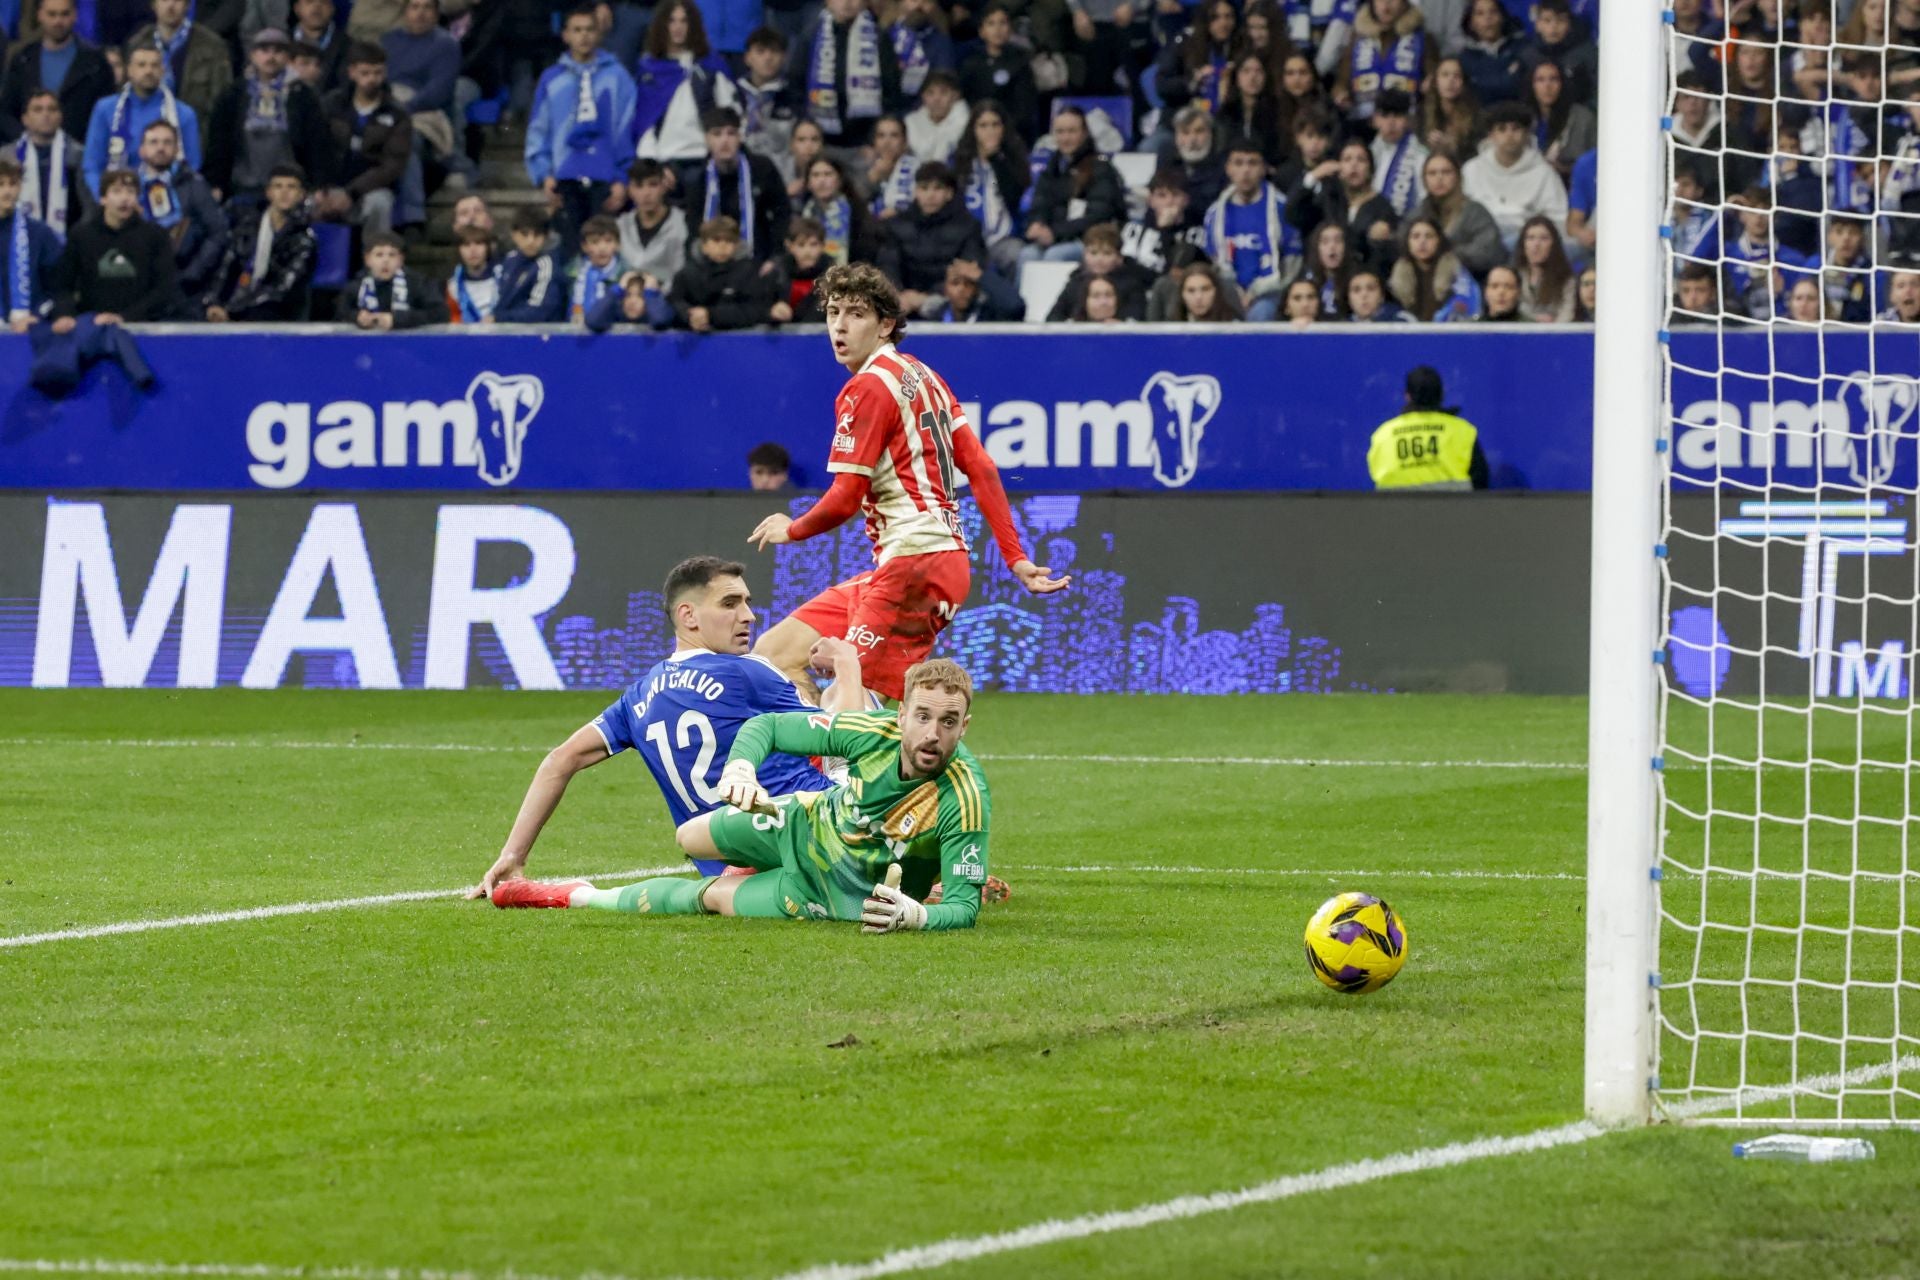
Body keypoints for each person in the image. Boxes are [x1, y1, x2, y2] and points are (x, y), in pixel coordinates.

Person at [484, 657, 1002, 933]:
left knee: (708, 900)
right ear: (902, 714)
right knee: (689, 836)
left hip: (826, 897)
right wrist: (742, 772)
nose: (932, 733)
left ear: (965, 726)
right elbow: (770, 726)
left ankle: (566, 894)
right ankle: (751, 859)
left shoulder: (966, 797)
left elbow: (964, 908)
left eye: (948, 721)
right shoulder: (871, 732)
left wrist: (916, 916)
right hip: (800, 821)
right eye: (923, 716)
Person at [745, 263, 1068, 701]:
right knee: (774, 655)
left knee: (848, 704)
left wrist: (793, 528)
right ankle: (828, 763)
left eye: (856, 314)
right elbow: (983, 467)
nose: (839, 326)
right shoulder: (924, 375)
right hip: (924, 562)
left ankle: (852, 765)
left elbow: (844, 499)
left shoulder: (868, 389)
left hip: (916, 564)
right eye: (833, 311)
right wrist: (1014, 558)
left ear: (886, 325)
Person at [465, 558, 864, 891]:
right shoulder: (746, 672)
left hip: (722, 865)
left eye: (746, 602)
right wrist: (848, 664)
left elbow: (559, 761)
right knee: (859, 705)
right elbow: (848, 738)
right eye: (730, 603)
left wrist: (511, 857)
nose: (748, 615)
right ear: (687, 615)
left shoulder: (637, 698)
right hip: (815, 839)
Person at [525, 4, 638, 244]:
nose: (584, 36)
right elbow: (539, 129)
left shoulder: (618, 77)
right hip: (565, 176)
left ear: (599, 33)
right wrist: (544, 174)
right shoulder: (552, 79)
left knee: (603, 249)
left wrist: (622, 177)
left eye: (589, 29)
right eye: (577, 30)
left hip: (605, 176)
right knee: (569, 252)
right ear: (565, 35)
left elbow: (626, 128)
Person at [203, 28, 330, 206]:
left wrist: (318, 185)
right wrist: (215, 183)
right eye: (264, 50)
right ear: (253, 55)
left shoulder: (303, 95)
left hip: (291, 190)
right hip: (243, 186)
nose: (271, 57)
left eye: (278, 51)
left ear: (287, 58)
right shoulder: (233, 94)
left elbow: (317, 144)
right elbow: (219, 143)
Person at [53, 165, 183, 319]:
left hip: (141, 326)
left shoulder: (156, 236)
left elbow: (164, 288)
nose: (125, 198)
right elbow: (62, 285)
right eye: (117, 191)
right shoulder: (81, 235)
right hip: (93, 326)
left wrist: (126, 317)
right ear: (103, 198)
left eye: (131, 192)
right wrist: (66, 315)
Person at [200, 160, 315, 320]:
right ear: (268, 192)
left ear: (301, 195)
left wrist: (233, 312)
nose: (284, 192)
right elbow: (227, 266)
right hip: (238, 305)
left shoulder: (304, 239)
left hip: (278, 313)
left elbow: (281, 289)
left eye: (291, 187)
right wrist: (214, 302)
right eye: (278, 186)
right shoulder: (248, 227)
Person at [634, 0, 740, 169]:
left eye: (684, 21)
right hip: (665, 161)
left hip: (706, 159)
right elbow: (644, 122)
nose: (678, 27)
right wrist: (653, 165)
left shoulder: (712, 65)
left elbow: (731, 113)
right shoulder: (649, 70)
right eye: (672, 21)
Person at [317, 42, 408, 239]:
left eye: (378, 72)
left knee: (379, 203)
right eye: (365, 73)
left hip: (371, 188)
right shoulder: (331, 104)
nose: (372, 79)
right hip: (329, 185)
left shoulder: (396, 113)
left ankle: (375, 261)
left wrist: (351, 192)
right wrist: (321, 188)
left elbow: (392, 166)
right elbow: (316, 149)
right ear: (352, 72)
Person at [382, 0, 475, 191]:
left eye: (427, 8)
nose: (420, 13)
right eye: (414, 7)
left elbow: (437, 92)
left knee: (407, 137)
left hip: (424, 113)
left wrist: (402, 109)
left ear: (436, 13)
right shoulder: (388, 41)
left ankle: (412, 214)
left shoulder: (446, 44)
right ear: (405, 11)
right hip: (388, 106)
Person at [83, 44, 201, 194]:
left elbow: (192, 167)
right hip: (116, 202)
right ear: (129, 70)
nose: (148, 71)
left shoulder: (184, 114)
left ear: (162, 71)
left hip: (169, 203)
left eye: (154, 65)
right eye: (141, 65)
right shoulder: (105, 109)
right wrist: (104, 199)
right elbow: (92, 165)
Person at [1202, 138, 1299, 321]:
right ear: (1228, 169)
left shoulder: (1282, 208)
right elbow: (1214, 263)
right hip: (1229, 294)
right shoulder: (1215, 214)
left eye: (1252, 163)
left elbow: (1292, 263)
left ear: (1263, 169)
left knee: (1260, 314)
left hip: (1271, 293)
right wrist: (1235, 293)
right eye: (1238, 163)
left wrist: (1256, 292)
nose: (1245, 171)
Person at [0, 0, 116, 147]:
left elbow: (106, 113)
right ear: (40, 15)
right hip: (25, 154)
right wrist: (25, 139)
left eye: (64, 14)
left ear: (75, 15)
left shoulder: (96, 63)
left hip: (79, 155)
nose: (58, 21)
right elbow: (6, 111)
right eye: (52, 14)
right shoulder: (22, 59)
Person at [681, 106, 790, 263]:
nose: (725, 141)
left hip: (758, 258)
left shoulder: (762, 168)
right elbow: (694, 227)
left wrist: (775, 257)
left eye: (731, 133)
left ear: (740, 137)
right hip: (712, 261)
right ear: (707, 139)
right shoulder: (697, 178)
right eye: (717, 134)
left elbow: (782, 213)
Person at [875, 158, 984, 314]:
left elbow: (966, 271)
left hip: (947, 301)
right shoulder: (896, 225)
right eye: (924, 188)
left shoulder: (968, 226)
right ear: (916, 192)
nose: (930, 195)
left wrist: (925, 298)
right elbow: (888, 266)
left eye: (937, 189)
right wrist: (899, 294)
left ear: (949, 193)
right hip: (902, 300)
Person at [134, 117, 225, 296]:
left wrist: (193, 273)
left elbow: (218, 232)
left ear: (176, 150)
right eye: (154, 142)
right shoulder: (129, 188)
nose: (160, 148)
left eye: (167, 142)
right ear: (142, 151)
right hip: (138, 283)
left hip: (185, 282)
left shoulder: (194, 184)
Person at [1020, 105, 1122, 263]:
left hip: (1090, 241)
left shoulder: (1101, 167)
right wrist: (1037, 224)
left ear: (1084, 133)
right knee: (1027, 254)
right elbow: (1040, 204)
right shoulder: (1052, 167)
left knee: (1055, 256)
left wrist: (1055, 233)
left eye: (1072, 131)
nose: (1065, 138)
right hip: (1054, 237)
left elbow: (1099, 215)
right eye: (1060, 132)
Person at [1460, 98, 1566, 248]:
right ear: (1491, 135)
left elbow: (1558, 218)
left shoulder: (1544, 173)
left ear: (1526, 134)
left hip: (1527, 245)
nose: (1509, 135)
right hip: (1479, 241)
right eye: (1502, 129)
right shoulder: (1472, 169)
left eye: (1516, 128)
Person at [127, 0, 232, 150]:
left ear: (188, 5)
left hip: (197, 141)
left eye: (177, 0)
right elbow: (127, 98)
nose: (170, 5)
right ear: (153, 4)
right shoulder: (136, 44)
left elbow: (221, 105)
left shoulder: (212, 46)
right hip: (145, 144)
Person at [1367, 365, 1487, 491]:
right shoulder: (1462, 431)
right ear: (1441, 394)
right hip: (1454, 509)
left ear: (1407, 396)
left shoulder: (1383, 435)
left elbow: (1376, 478)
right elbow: (1480, 483)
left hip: (1395, 510)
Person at [1291, 136, 1397, 273]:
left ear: (1370, 170)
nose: (1354, 165)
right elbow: (1293, 214)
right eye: (1347, 159)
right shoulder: (1329, 199)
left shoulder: (1383, 207)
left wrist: (1381, 241)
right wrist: (1314, 176)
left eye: (1361, 160)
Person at [1398, 149, 1502, 277]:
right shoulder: (1417, 214)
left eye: (1446, 172)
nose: (1439, 178)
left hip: (1469, 281)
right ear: (1424, 180)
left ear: (1458, 176)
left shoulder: (1475, 212)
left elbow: (1489, 252)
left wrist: (1442, 253)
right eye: (1432, 173)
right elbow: (1401, 245)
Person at [952, 98, 1025, 276]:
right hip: (967, 242)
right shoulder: (959, 163)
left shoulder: (1015, 161)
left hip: (1005, 240)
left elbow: (1013, 196)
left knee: (1021, 255)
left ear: (1004, 128)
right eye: (983, 125)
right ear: (973, 129)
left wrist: (995, 160)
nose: (990, 131)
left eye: (995, 125)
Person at [668, 214, 776, 329]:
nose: (722, 246)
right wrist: (689, 316)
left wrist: (710, 315)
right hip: (692, 339)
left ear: (737, 245)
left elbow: (753, 310)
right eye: (716, 240)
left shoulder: (749, 272)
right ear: (704, 245)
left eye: (729, 241)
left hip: (737, 340)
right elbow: (674, 302)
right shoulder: (687, 273)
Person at [10, 90, 90, 237]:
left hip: (69, 239)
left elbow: (88, 208)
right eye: (38, 109)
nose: (45, 115)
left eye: (52, 109)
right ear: (25, 119)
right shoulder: (7, 157)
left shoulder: (79, 156)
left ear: (60, 116)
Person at [0, 155, 66, 328]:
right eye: (0, 185)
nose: (7, 192)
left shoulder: (40, 233)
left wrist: (37, 315)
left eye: (13, 184)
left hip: (28, 332)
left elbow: (59, 286)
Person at [1336, 0, 1424, 125]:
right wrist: (1341, 94)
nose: (1386, 5)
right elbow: (1342, 80)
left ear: (1405, 3)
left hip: (1405, 123)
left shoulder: (1422, 38)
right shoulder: (1357, 37)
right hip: (1361, 123)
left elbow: (1432, 84)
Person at [337, 227, 445, 327]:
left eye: (392, 255)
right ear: (367, 259)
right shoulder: (356, 286)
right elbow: (340, 313)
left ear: (401, 260)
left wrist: (398, 320)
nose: (386, 261)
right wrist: (357, 317)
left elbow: (439, 313)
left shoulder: (418, 283)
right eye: (379, 255)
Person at [957, 5, 1036, 141]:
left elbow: (1024, 108)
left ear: (1010, 29)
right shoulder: (971, 64)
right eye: (991, 23)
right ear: (982, 31)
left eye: (1002, 23)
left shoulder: (1021, 62)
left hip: (1012, 134)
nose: (997, 29)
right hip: (977, 131)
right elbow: (964, 100)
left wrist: (999, 129)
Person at [1045, 220, 1151, 320]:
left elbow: (1137, 317)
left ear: (1119, 258)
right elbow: (1054, 317)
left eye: (1107, 253)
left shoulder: (1132, 285)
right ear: (1084, 255)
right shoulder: (1075, 282)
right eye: (1093, 253)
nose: (1099, 260)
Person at [1389, 214, 1481, 320]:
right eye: (1416, 236)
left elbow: (1467, 305)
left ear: (1439, 240)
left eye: (1429, 236)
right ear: (1408, 242)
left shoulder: (1456, 271)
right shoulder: (1398, 274)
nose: (1422, 242)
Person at [1122, 167, 1207, 277]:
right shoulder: (1132, 230)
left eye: (1176, 195)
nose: (1169, 201)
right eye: (1162, 195)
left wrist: (1165, 230)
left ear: (1186, 200)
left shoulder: (1197, 234)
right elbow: (1126, 267)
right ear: (1151, 200)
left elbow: (1175, 272)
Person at [615, 157, 689, 282]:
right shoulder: (620, 226)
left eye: (653, 184)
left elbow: (681, 274)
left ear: (663, 187)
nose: (646, 193)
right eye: (639, 186)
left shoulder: (682, 223)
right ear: (630, 190)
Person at [1522, 57, 1591, 182]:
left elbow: (1593, 164)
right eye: (1540, 80)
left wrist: (1563, 169)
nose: (1547, 86)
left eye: (1553, 79)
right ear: (1532, 85)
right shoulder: (1522, 118)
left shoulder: (1582, 117)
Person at [798, 153, 875, 264]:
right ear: (808, 183)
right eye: (815, 175)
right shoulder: (801, 212)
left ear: (839, 180)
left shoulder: (857, 212)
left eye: (828, 174)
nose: (822, 181)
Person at [738, 27, 798, 164]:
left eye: (774, 51)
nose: (768, 58)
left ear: (784, 58)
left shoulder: (795, 96)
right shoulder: (732, 93)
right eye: (760, 51)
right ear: (747, 58)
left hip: (782, 172)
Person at [498, 204, 567, 322]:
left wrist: (499, 318)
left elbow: (539, 312)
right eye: (525, 234)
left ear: (546, 236)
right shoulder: (510, 259)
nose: (531, 241)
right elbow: (502, 300)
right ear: (513, 234)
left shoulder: (547, 265)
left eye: (537, 235)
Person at [1217, 53, 1285, 167]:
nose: (1253, 77)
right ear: (1237, 77)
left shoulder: (1278, 111)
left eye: (1258, 71)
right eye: (1246, 71)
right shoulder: (1226, 112)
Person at [1369, 88, 1428, 217]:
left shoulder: (1420, 155)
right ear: (1374, 120)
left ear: (1408, 120)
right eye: (1385, 116)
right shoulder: (1366, 153)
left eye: (1398, 115)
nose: (1391, 123)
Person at [1157, 106, 1227, 213]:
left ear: (1211, 134)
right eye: (1185, 132)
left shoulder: (1224, 166)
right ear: (1176, 137)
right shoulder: (1166, 163)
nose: (1192, 140)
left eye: (1199, 131)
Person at [1457, 0, 1524, 106]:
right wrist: (1508, 76)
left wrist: (1484, 82)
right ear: (1471, 23)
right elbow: (1476, 95)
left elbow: (1522, 88)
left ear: (1502, 17)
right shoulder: (1464, 58)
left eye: (1493, 12)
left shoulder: (1522, 48)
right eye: (1480, 13)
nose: (1487, 18)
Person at [1512, 212, 1572, 322]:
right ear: (1523, 244)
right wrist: (1534, 319)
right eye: (1530, 238)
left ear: (1553, 244)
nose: (1536, 244)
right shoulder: (1514, 276)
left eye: (1544, 238)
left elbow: (1567, 313)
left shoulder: (1566, 279)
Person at [1420, 55, 1481, 160]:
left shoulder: (1476, 117)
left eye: (1457, 76)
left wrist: (1453, 147)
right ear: (1435, 81)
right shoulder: (1421, 114)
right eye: (1445, 75)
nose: (1450, 81)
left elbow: (1476, 156)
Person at [904, 68, 967, 164]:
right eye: (930, 93)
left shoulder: (966, 122)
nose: (936, 99)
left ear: (955, 96)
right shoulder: (910, 122)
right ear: (923, 97)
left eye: (943, 92)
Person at [863, 112, 917, 218]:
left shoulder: (918, 168)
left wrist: (899, 211)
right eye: (881, 136)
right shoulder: (861, 168)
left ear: (905, 141)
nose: (887, 142)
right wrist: (872, 179)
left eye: (894, 135)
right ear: (874, 142)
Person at [569, 212, 622, 321]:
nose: (602, 248)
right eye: (595, 242)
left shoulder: (624, 275)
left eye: (608, 241)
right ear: (584, 246)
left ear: (617, 244)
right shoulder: (571, 272)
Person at [444, 223, 501, 323]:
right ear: (459, 250)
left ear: (488, 248)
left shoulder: (504, 279)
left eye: (478, 243)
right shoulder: (453, 287)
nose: (473, 250)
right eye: (466, 245)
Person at [935, 254, 1017, 320]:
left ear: (977, 288)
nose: (962, 289)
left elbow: (1014, 306)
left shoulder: (989, 316)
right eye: (955, 283)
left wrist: (980, 276)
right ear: (945, 288)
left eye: (969, 283)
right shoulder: (935, 318)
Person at [1166, 258, 1242, 320]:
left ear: (1216, 291)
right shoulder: (1170, 328)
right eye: (1191, 291)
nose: (1198, 297)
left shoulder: (1234, 327)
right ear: (1182, 294)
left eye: (1205, 289)